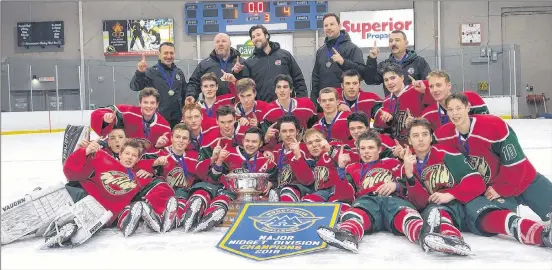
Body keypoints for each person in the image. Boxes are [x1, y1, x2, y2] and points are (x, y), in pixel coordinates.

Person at [434, 93, 552, 248]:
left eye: (458, 108)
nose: (455, 113)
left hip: (523, 180)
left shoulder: (494, 125)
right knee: (492, 216)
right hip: (490, 191)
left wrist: (501, 188)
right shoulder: (442, 135)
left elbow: (516, 164)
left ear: (468, 107)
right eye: (450, 109)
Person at [317, 130, 438, 254]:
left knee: (405, 214)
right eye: (362, 148)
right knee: (356, 213)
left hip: (393, 200)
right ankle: (347, 234)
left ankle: (423, 235)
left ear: (379, 149)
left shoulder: (394, 163)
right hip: (367, 203)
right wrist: (341, 171)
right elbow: (345, 196)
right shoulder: (352, 168)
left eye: (370, 147)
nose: (366, 151)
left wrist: (396, 185)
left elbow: (412, 190)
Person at [401, 118, 486, 255]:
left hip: (462, 205)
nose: (421, 139)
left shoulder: (446, 153)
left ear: (430, 137)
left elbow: (476, 181)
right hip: (436, 210)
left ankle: (453, 238)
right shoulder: (407, 164)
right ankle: (451, 239)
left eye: (425, 134)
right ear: (409, 140)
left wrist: (451, 194)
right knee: (435, 210)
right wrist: (409, 175)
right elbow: (420, 203)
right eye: (416, 136)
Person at [63, 139, 178, 239]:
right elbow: (70, 172)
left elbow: (160, 185)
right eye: (127, 153)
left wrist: (153, 172)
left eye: (133, 155)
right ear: (119, 154)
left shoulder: (138, 175)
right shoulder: (103, 162)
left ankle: (157, 216)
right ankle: (129, 219)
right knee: (130, 207)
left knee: (134, 204)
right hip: (97, 210)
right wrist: (85, 151)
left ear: (137, 160)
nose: (129, 157)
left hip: (117, 213)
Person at [140, 123, 201, 232]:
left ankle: (175, 218)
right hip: (164, 196)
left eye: (184, 138)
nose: (181, 141)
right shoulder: (160, 154)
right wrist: (152, 167)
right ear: (171, 138)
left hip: (183, 196)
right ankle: (158, 216)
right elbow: (138, 164)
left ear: (188, 142)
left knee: (186, 193)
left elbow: (204, 173)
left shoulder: (194, 157)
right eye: (177, 137)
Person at [239, 24, 307, 102]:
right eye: (253, 37)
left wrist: (302, 101)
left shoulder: (284, 55)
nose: (256, 39)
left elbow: (298, 79)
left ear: (267, 35)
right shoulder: (249, 62)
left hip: (286, 106)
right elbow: (246, 88)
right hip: (264, 108)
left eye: (258, 35)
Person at [311, 13, 365, 112]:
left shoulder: (352, 48)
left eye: (332, 24)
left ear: (339, 26)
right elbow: (315, 79)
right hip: (325, 104)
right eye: (326, 25)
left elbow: (362, 72)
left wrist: (344, 62)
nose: (329, 28)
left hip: (345, 105)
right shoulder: (321, 51)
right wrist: (314, 103)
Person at [364, 30, 433, 105]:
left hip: (416, 109)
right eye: (391, 41)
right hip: (392, 110)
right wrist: (372, 59)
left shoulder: (419, 62)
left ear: (406, 43)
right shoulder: (384, 65)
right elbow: (370, 80)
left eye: (397, 40)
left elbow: (430, 84)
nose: (393, 43)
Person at [90, 87, 171, 152]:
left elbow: (168, 151)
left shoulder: (164, 126)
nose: (149, 106)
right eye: (145, 102)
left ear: (157, 104)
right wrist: (105, 118)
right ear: (140, 103)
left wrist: (159, 146)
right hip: (121, 156)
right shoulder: (127, 112)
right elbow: (97, 113)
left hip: (145, 163)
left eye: (152, 103)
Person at [130, 42, 188, 128]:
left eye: (171, 53)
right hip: (157, 120)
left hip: (177, 120)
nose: (169, 56)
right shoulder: (151, 71)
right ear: (159, 54)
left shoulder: (179, 73)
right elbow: (134, 86)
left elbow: (184, 94)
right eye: (165, 53)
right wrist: (140, 73)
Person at [372, 63, 425, 144]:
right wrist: (387, 120)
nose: (389, 83)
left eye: (393, 78)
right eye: (386, 80)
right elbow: (382, 126)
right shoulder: (386, 101)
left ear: (402, 78)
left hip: (419, 144)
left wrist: (425, 88)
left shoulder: (416, 90)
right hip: (398, 149)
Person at [421, 70, 488, 132]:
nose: (434, 90)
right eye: (431, 86)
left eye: (438, 85)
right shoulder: (428, 114)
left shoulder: (471, 99)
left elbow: (487, 127)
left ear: (449, 85)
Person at [186, 33, 245, 100]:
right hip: (212, 106)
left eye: (223, 41)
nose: (220, 44)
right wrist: (191, 95)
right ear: (214, 44)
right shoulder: (204, 64)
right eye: (217, 42)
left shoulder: (242, 63)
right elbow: (194, 82)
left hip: (235, 105)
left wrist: (238, 75)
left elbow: (249, 85)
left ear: (230, 43)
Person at [271, 115, 315, 200]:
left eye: (291, 131)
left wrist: (298, 156)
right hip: (280, 189)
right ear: (279, 133)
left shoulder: (306, 149)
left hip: (300, 190)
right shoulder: (276, 150)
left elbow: (307, 180)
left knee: (287, 192)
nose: (288, 135)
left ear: (297, 131)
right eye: (284, 131)